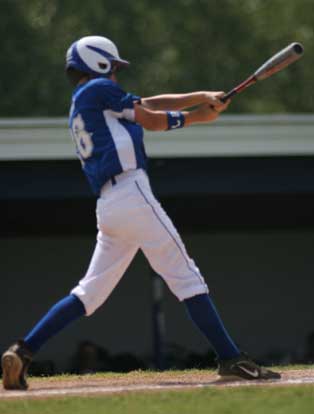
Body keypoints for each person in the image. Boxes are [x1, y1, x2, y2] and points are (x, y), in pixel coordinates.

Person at [1, 35, 280, 390]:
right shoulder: (100, 89)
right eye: (114, 68)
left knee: (89, 293)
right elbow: (150, 119)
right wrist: (194, 119)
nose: (116, 75)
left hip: (108, 206)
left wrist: (200, 98)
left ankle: (23, 351)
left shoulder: (88, 100)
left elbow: (146, 103)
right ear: (100, 66)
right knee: (186, 277)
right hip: (132, 193)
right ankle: (232, 358)